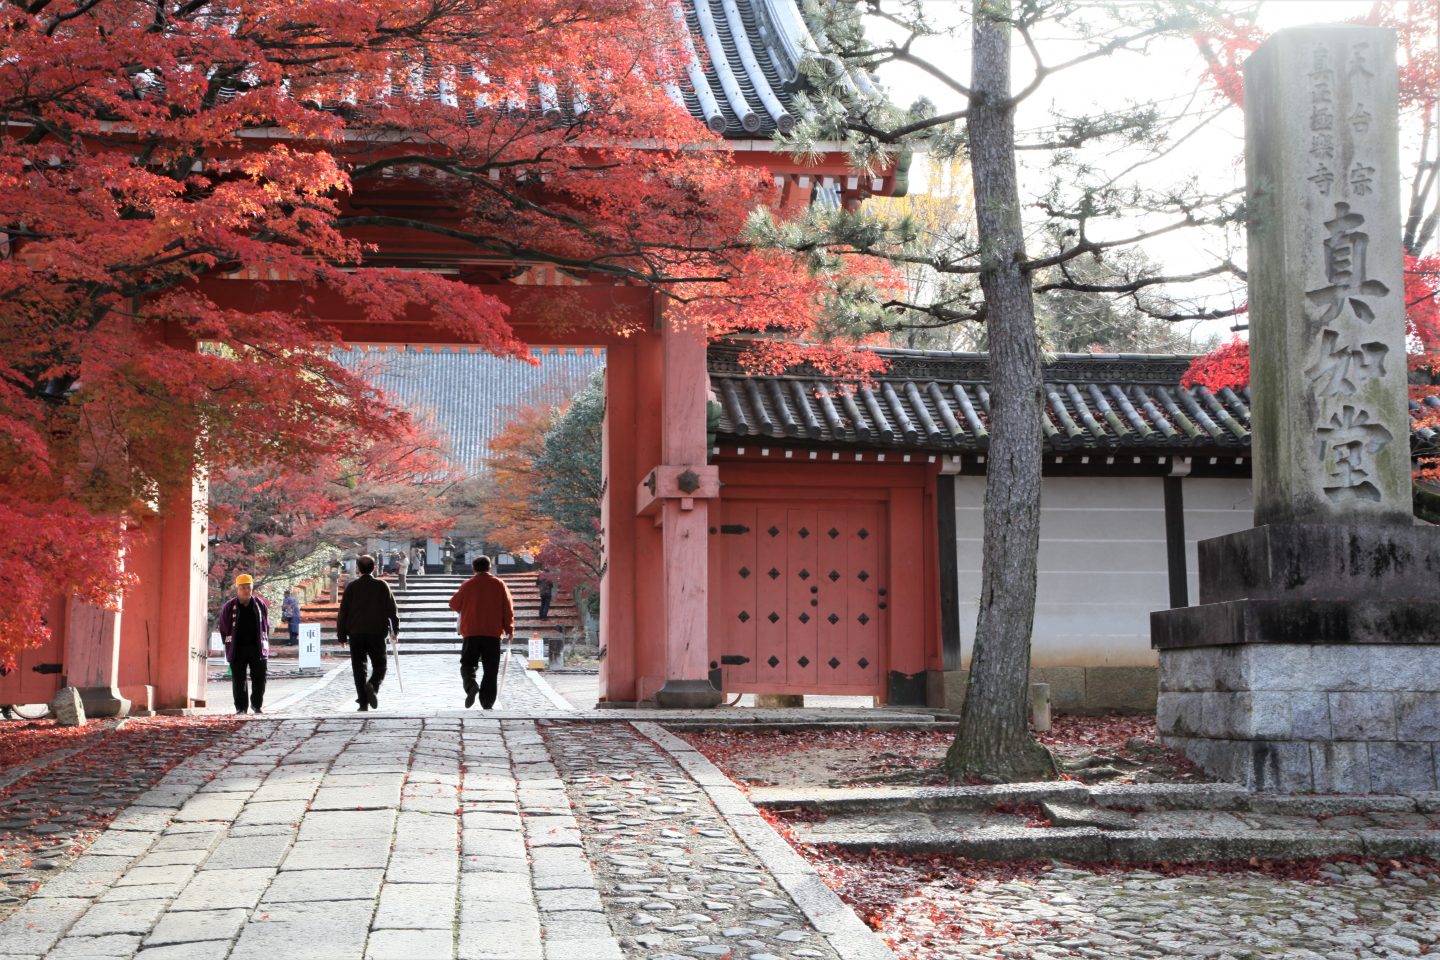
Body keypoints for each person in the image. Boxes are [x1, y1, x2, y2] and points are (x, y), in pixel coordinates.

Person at [336, 554, 400, 712]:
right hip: (376, 632)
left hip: (355, 632)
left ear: (358, 568)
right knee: (380, 665)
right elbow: (392, 609)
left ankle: (363, 703)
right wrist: (395, 630)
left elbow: (343, 612)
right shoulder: (381, 585)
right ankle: (372, 685)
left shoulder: (352, 587)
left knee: (359, 667)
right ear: (375, 567)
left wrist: (342, 635)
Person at [449, 556, 515, 709]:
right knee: (491, 669)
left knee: (467, 664)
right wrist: (510, 629)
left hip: (471, 631)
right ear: (489, 567)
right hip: (492, 632)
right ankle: (487, 702)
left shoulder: (468, 585)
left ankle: (471, 685)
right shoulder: (499, 584)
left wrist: (468, 606)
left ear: (473, 568)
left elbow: (453, 604)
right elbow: (507, 609)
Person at [217, 574, 270, 715]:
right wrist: (228, 644)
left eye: (249, 587)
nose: (246, 590)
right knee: (239, 679)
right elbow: (223, 627)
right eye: (243, 588)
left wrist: (264, 642)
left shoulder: (260, 605)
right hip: (237, 648)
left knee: (260, 677)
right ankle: (241, 708)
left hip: (257, 647)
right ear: (237, 588)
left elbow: (266, 625)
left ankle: (257, 705)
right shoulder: (229, 607)